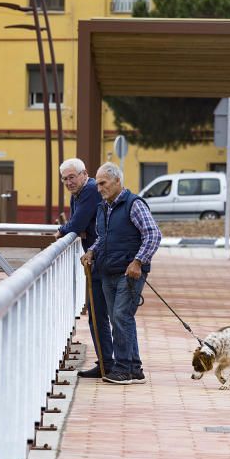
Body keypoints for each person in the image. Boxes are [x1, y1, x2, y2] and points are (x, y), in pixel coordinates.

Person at [81, 163, 161, 385]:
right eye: (97, 184)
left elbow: (153, 235)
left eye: (103, 183)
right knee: (123, 318)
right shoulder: (104, 207)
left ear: (117, 181)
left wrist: (138, 262)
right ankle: (134, 368)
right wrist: (92, 251)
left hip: (129, 273)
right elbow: (104, 237)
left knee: (120, 317)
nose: (98, 188)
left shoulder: (133, 205)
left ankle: (124, 369)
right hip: (108, 271)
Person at [56, 158, 112, 379]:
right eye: (64, 179)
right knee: (98, 313)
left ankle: (108, 364)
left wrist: (64, 229)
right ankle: (107, 362)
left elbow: (76, 224)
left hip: (100, 259)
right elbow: (77, 224)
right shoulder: (79, 192)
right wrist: (74, 228)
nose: (68, 182)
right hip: (95, 258)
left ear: (84, 174)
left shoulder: (88, 190)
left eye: (72, 177)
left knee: (99, 314)